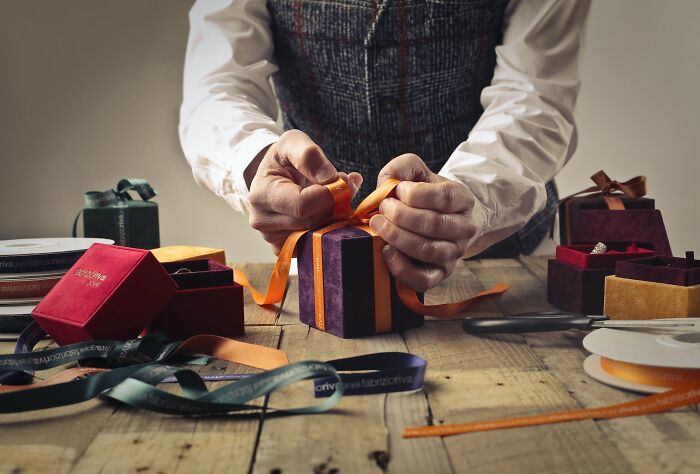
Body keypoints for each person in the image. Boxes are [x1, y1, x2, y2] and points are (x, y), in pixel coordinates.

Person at [179, 0, 590, 292]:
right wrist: (254, 163)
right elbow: (217, 84)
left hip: (512, 268)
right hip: (327, 273)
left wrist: (474, 200)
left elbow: (536, 93)